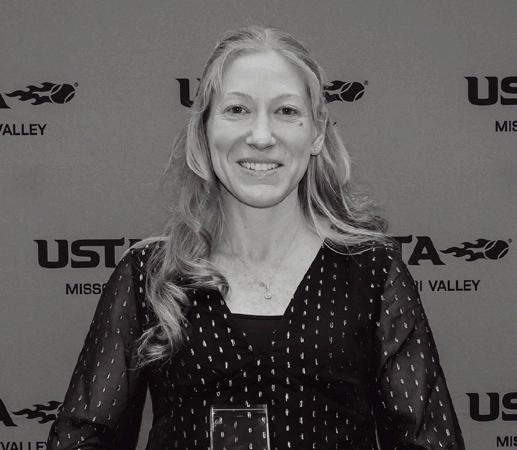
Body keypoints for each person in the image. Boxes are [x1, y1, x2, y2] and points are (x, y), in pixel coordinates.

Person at [46, 25, 465, 450]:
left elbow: (431, 440)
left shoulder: (372, 271)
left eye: (286, 111)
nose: (261, 136)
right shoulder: (150, 274)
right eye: (237, 109)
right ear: (205, 129)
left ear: (317, 132)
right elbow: (80, 437)